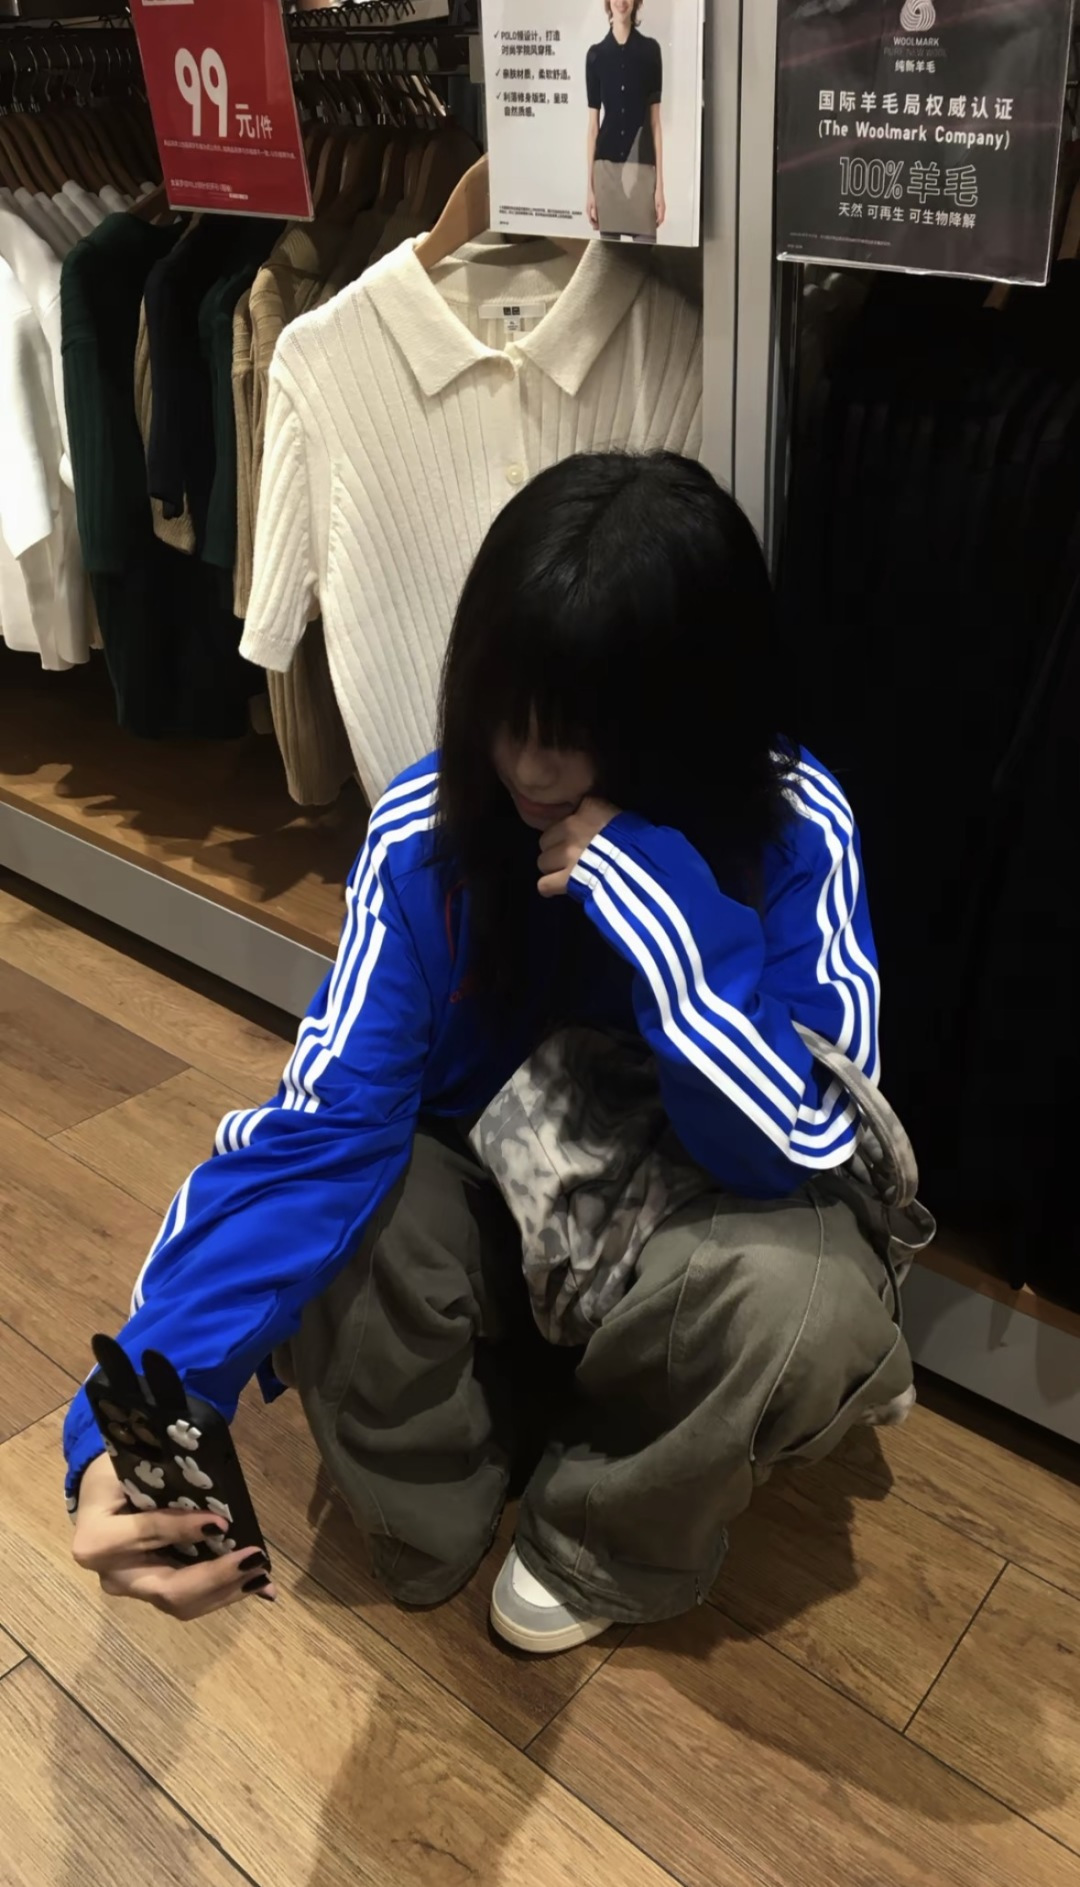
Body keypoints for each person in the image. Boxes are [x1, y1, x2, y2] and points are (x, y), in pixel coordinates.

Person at [68, 452, 913, 1649]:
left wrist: (675, 931)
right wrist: (144, 1407)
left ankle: (600, 1534)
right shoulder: (428, 829)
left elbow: (809, 1147)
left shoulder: (794, 822)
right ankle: (455, 1471)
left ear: (691, 712)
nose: (526, 764)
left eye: (584, 729)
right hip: (494, 1231)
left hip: (690, 1242)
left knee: (807, 1290)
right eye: (504, 709)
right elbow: (316, 1137)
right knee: (355, 1208)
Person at [586, 0, 666, 243]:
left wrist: (660, 187)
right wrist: (589, 189)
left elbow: (655, 124)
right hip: (606, 172)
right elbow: (593, 128)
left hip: (641, 171)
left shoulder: (650, 52)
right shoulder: (596, 56)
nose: (621, 2)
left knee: (642, 259)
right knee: (610, 261)